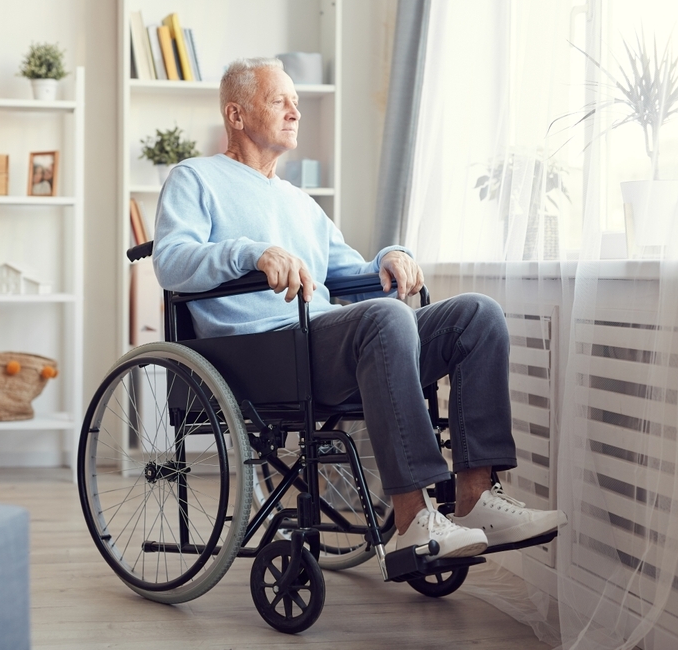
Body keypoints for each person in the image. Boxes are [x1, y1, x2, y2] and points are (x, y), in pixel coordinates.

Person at [153, 57, 565, 560]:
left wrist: (390, 258)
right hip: (260, 353)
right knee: (386, 318)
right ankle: (413, 519)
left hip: (324, 341)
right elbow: (172, 262)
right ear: (236, 116)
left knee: (477, 316)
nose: (294, 112)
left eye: (297, 103)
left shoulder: (302, 203)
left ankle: (476, 496)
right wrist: (250, 251)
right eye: (279, 100)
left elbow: (352, 273)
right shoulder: (195, 178)